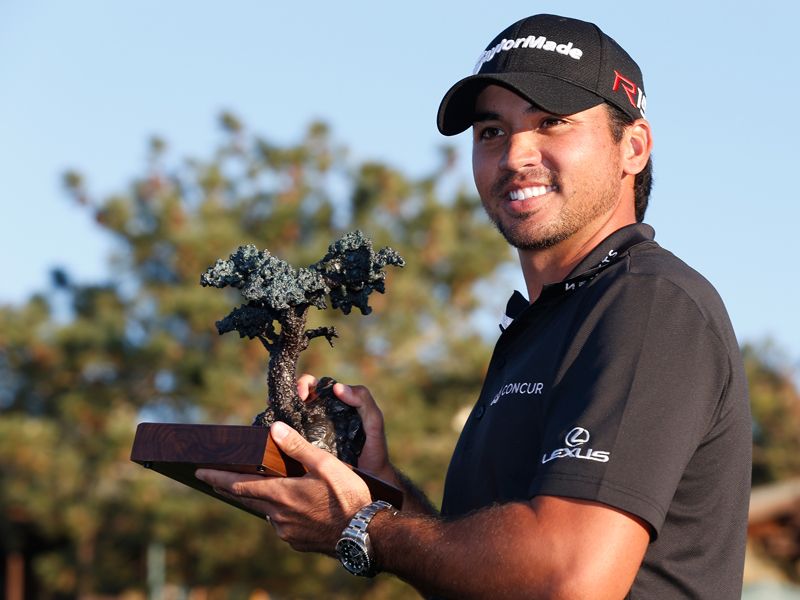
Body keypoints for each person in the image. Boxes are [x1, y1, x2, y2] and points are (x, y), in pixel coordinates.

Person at [197, 14, 751, 599]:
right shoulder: (545, 326)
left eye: (552, 123)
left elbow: (571, 578)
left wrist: (360, 525)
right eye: (492, 132)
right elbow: (495, 575)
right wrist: (384, 491)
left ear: (632, 146)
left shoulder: (648, 303)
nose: (516, 155)